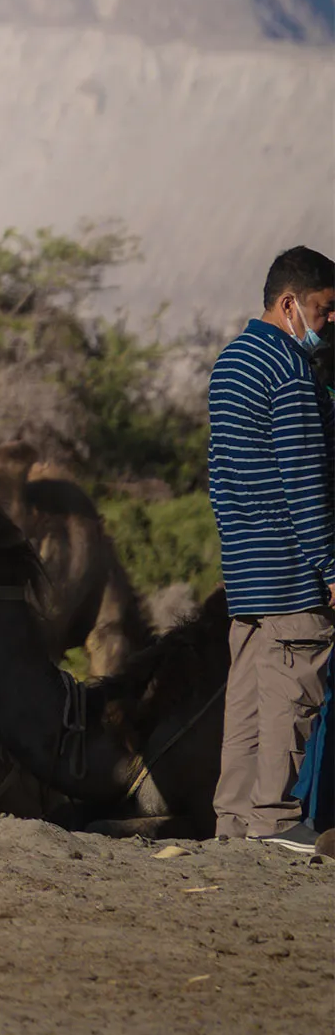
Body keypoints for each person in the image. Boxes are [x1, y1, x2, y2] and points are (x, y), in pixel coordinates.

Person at [209, 246, 335, 851]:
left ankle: (234, 822)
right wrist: (331, 564)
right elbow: (304, 480)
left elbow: (220, 473)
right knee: (293, 694)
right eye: (323, 308)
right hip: (290, 570)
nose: (329, 321)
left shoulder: (231, 362)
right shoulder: (288, 369)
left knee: (248, 704)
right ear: (290, 304)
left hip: (246, 569)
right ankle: (278, 821)